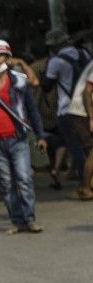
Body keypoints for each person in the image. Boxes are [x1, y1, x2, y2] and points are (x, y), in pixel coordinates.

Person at [0, 39, 48, 234]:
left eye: (0, 55)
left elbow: (32, 109)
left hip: (18, 138)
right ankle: (17, 220)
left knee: (24, 180)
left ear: (8, 57)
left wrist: (40, 135)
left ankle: (30, 219)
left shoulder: (19, 80)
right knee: (6, 184)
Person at [42, 28, 92, 182]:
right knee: (89, 148)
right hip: (88, 106)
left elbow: (46, 86)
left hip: (67, 110)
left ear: (54, 45)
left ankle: (86, 184)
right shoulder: (85, 53)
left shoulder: (56, 62)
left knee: (75, 148)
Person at [62, 48, 93, 200]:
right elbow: (87, 92)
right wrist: (92, 117)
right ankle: (86, 188)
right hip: (81, 112)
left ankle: (86, 187)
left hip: (83, 112)